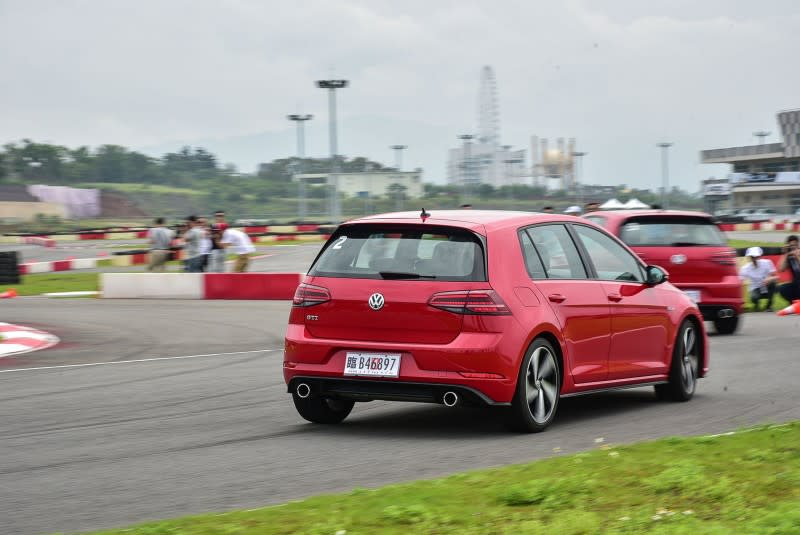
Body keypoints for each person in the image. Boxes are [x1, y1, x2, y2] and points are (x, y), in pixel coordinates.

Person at [739, 246, 777, 311]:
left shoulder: (767, 262)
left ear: (759, 256)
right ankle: (756, 305)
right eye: (752, 257)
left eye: (756, 257)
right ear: (750, 258)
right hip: (755, 288)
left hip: (767, 287)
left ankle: (769, 306)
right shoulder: (745, 268)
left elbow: (776, 276)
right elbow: (740, 282)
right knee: (754, 297)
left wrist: (770, 279)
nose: (754, 259)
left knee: (773, 284)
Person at [778, 235, 800, 302]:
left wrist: (797, 256)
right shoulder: (789, 256)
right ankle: (793, 303)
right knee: (782, 288)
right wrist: (786, 254)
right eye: (791, 246)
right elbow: (781, 269)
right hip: (796, 282)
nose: (793, 247)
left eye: (795, 245)